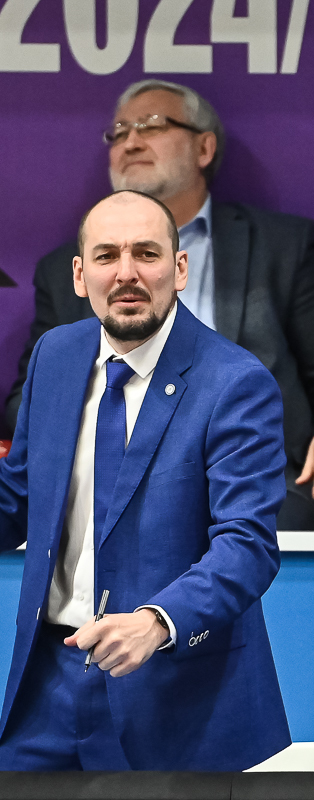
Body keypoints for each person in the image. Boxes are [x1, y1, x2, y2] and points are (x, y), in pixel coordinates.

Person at [0, 190, 290, 770]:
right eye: (107, 256)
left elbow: (247, 545)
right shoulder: (55, 356)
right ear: (80, 275)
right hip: (47, 687)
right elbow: (17, 502)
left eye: (147, 254)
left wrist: (157, 622)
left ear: (180, 269)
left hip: (175, 696)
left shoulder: (235, 382)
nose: (126, 273)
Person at [5, 79, 314, 530]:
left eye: (152, 125)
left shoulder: (281, 247)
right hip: (109, 485)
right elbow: (29, 399)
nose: (130, 141)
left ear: (204, 148)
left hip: (251, 480)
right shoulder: (63, 269)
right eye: (119, 132)